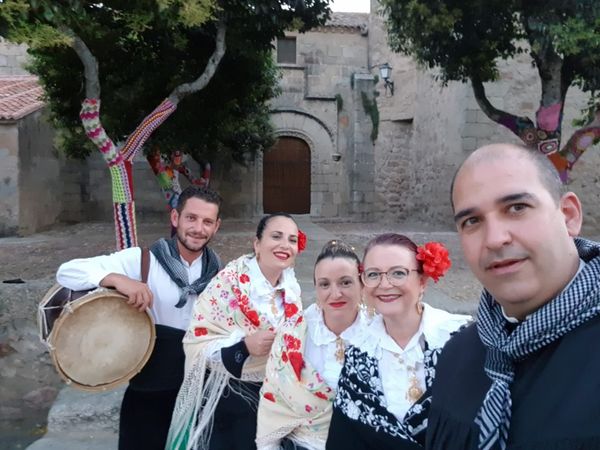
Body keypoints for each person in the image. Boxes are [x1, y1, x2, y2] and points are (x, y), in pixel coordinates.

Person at [426, 143, 600, 450]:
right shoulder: (455, 357)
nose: (495, 239)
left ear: (569, 216)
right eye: (472, 221)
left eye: (517, 208)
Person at [56, 186, 223, 450]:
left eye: (207, 222)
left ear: (216, 227)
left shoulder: (221, 274)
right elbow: (68, 271)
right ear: (175, 218)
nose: (198, 228)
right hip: (148, 393)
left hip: (196, 393)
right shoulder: (143, 260)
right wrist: (117, 279)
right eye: (191, 218)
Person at [167, 213, 305, 450]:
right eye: (276, 236)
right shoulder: (228, 284)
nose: (285, 245)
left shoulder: (290, 287)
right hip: (230, 397)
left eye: (292, 240)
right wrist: (244, 347)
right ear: (257, 244)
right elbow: (196, 341)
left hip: (274, 398)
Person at [326, 233, 471, 449]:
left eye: (398, 273)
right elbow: (345, 437)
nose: (385, 284)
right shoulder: (358, 351)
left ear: (422, 281)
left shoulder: (462, 341)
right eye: (373, 274)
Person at [255, 240, 369, 450]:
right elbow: (274, 399)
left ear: (362, 284)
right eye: (325, 284)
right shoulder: (294, 333)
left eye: (345, 282)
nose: (335, 294)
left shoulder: (380, 332)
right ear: (316, 287)